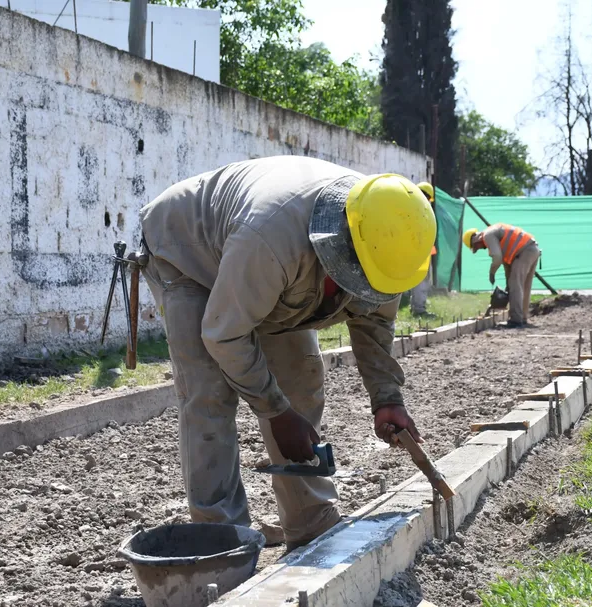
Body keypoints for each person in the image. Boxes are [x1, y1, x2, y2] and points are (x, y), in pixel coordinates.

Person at [138, 156, 433, 551]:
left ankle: (310, 522)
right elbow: (224, 336)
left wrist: (387, 399)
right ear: (342, 249)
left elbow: (374, 324)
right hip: (188, 252)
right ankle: (221, 541)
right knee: (209, 393)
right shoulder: (273, 242)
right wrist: (275, 411)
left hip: (264, 265)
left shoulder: (388, 243)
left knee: (301, 379)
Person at [462, 223, 541, 327]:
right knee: (524, 286)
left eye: (476, 247)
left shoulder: (487, 236)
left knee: (516, 285)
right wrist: (508, 284)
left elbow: (497, 258)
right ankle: (522, 318)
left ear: (475, 240)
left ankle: (516, 320)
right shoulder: (495, 234)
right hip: (532, 249)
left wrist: (492, 272)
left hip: (524, 252)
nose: (481, 249)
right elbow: (507, 264)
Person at [410, 182, 439, 316]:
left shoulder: (410, 205)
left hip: (416, 248)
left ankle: (415, 306)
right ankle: (419, 309)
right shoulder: (422, 209)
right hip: (420, 248)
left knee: (416, 278)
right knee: (422, 278)